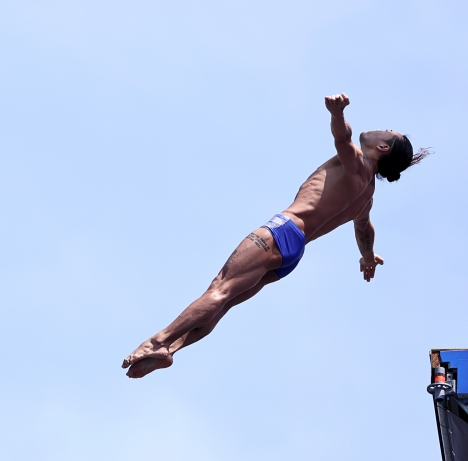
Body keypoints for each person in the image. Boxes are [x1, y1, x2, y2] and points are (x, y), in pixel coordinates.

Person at [122, 93, 430, 378]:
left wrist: (337, 113)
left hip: (282, 232)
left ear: (383, 147)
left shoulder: (357, 163)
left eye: (386, 131)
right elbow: (364, 227)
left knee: (219, 289)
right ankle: (172, 349)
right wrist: (367, 256)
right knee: (225, 303)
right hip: (293, 254)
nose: (379, 128)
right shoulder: (367, 195)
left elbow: (343, 136)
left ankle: (155, 342)